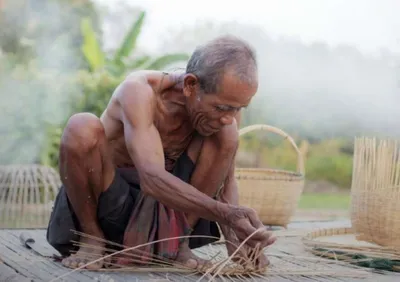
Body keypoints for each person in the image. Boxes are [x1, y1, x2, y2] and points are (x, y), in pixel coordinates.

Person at [46, 35, 276, 271]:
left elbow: (226, 182)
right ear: (190, 85)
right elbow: (152, 179)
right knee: (81, 126)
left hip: (171, 223)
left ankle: (179, 244)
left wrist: (238, 240)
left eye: (238, 108)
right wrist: (225, 214)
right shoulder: (139, 91)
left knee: (228, 133)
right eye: (221, 107)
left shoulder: (226, 115)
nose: (229, 116)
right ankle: (91, 237)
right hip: (109, 210)